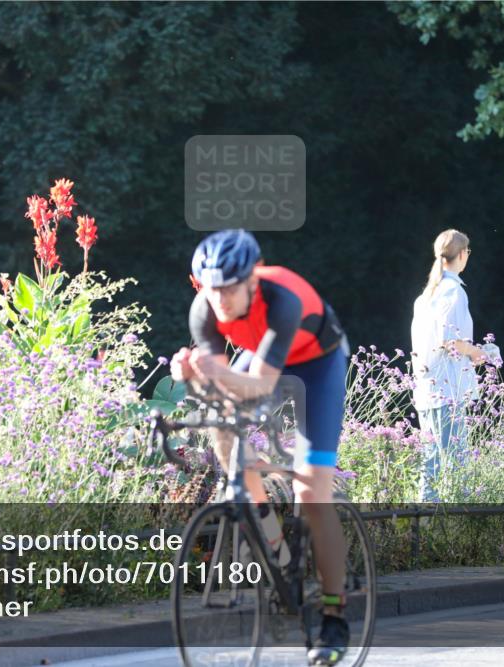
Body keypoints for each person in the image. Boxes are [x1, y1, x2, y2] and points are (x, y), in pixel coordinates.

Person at [170, 229, 353, 666]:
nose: (219, 299)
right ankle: (274, 541)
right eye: (211, 289)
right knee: (222, 423)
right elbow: (221, 389)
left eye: (229, 288)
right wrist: (192, 375)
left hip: (318, 364)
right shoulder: (204, 310)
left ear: (252, 279)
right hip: (264, 356)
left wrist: (210, 372)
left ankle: (334, 615)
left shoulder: (282, 300)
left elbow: (260, 386)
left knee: (312, 494)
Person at [409, 229, 487, 502]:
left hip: (427, 388)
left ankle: (423, 521)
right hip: (447, 389)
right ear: (462, 254)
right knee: (456, 464)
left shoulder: (427, 295)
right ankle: (458, 522)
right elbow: (449, 341)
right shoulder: (454, 291)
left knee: (431, 463)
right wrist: (477, 352)